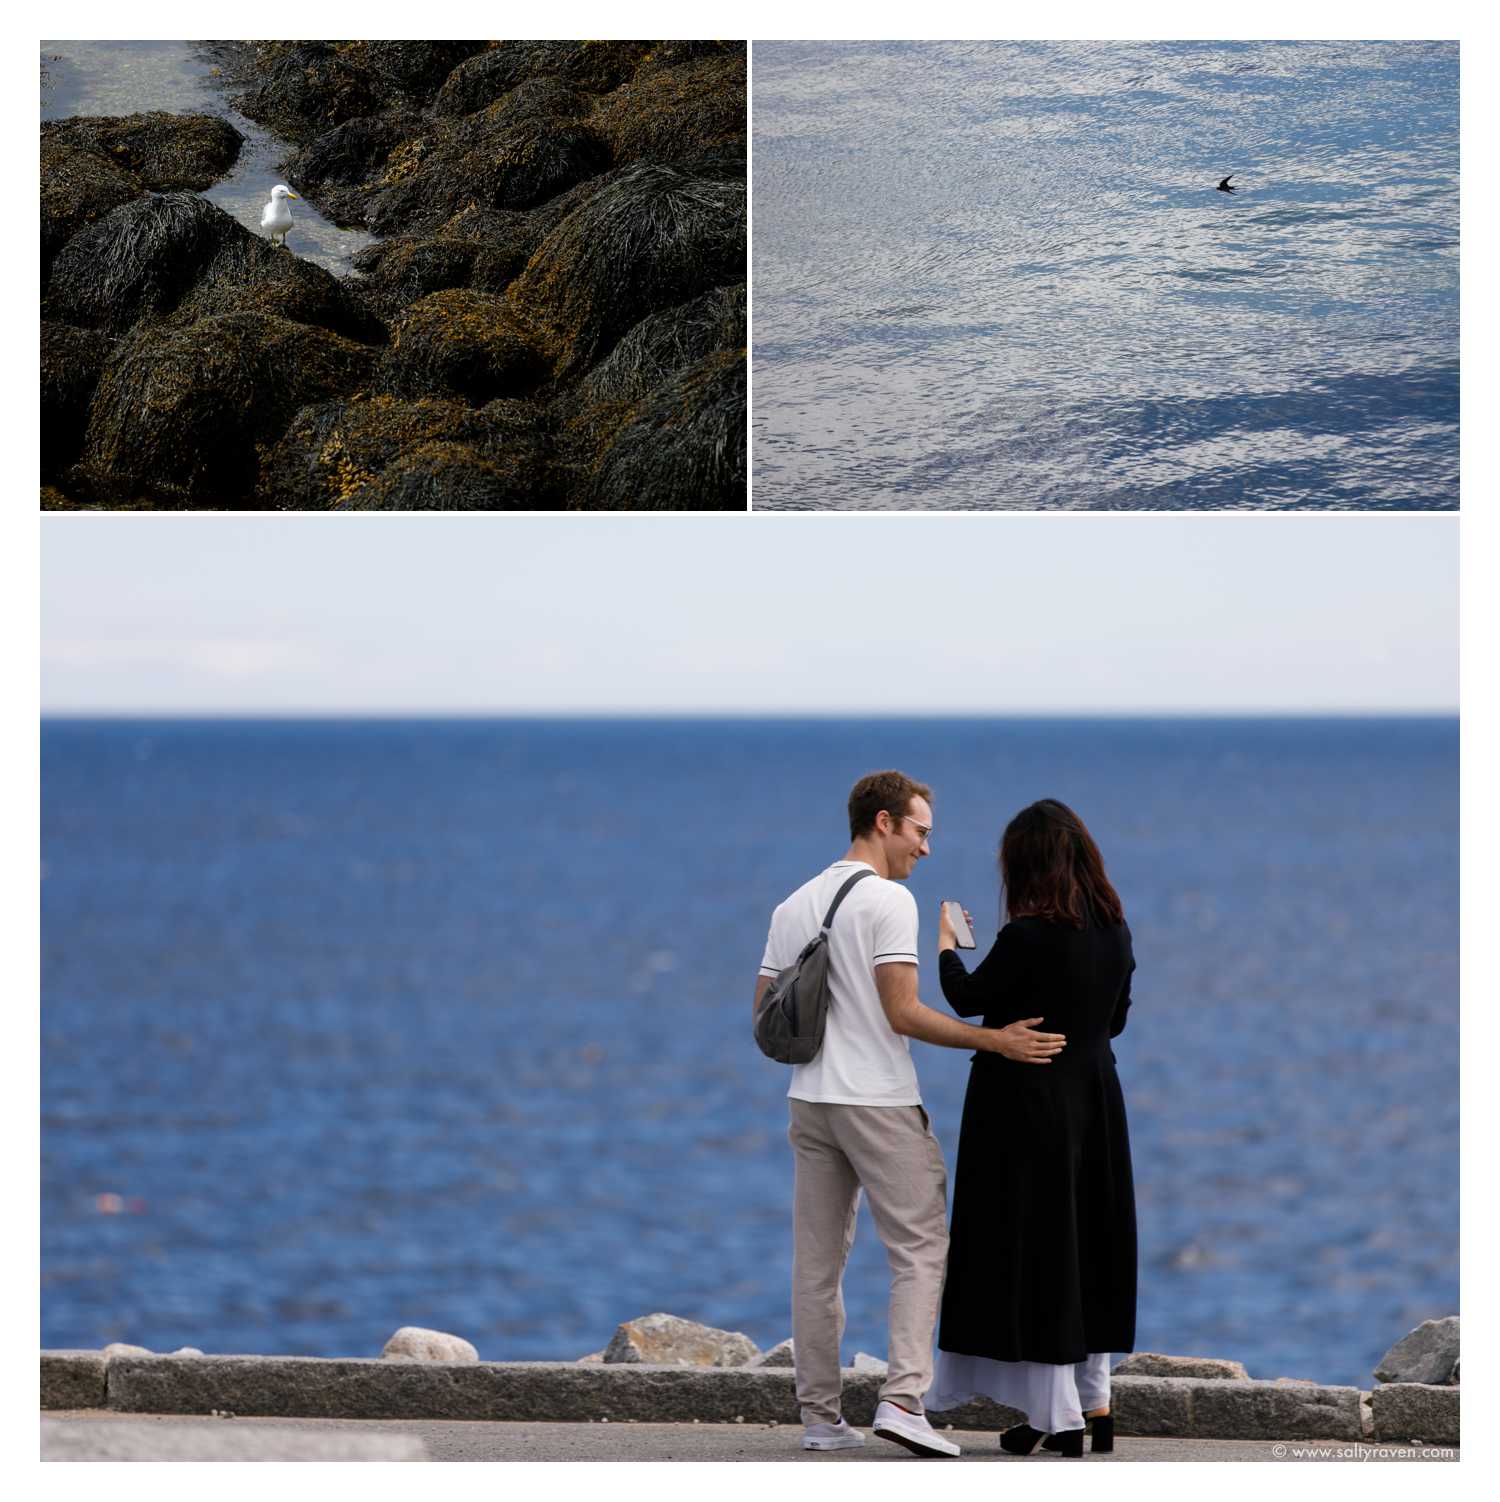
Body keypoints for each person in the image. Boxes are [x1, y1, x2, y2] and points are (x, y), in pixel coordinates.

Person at [755, 771, 1067, 1457]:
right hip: (877, 1100)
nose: (927, 849)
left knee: (816, 1266)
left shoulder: (793, 904)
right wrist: (997, 1040)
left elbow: (764, 1016)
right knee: (921, 1249)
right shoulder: (889, 902)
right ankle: (902, 1400)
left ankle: (821, 1419)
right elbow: (903, 1011)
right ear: (886, 822)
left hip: (810, 1100)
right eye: (921, 831)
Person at [925, 798, 1137, 1457]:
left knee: (1039, 1252)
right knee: (1088, 1248)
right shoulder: (1115, 931)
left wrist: (947, 946)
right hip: (1097, 1099)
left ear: (1026, 867)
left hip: (1027, 1108)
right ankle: (1092, 1408)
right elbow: (1117, 1021)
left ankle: (1059, 1417)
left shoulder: (1027, 936)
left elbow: (968, 998)